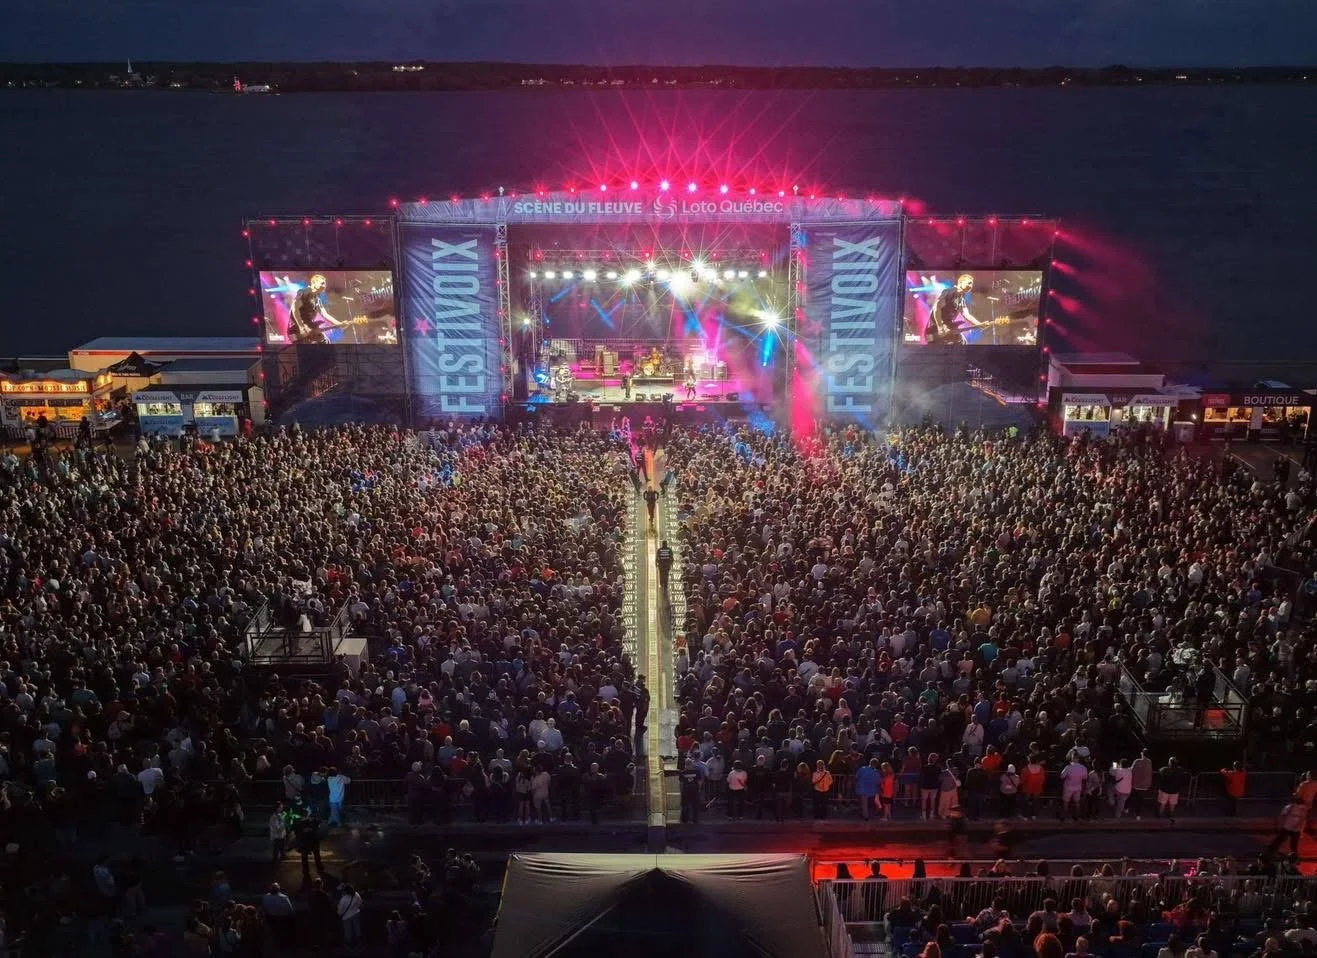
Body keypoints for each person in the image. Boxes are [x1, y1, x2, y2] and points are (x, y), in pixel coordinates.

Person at [338, 882, 364, 949]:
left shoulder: (343, 899)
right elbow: (360, 903)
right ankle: (359, 943)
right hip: (356, 913)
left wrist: (340, 915)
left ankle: (349, 945)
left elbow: (340, 911)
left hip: (346, 917)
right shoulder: (356, 894)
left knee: (348, 931)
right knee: (357, 928)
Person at [678, 757, 702, 824]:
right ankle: (695, 819)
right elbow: (699, 782)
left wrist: (681, 791)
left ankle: (685, 819)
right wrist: (699, 789)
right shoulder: (697, 772)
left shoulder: (682, 773)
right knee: (695, 806)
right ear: (692, 764)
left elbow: (681, 783)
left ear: (685, 764)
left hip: (686, 790)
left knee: (685, 805)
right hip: (695, 790)